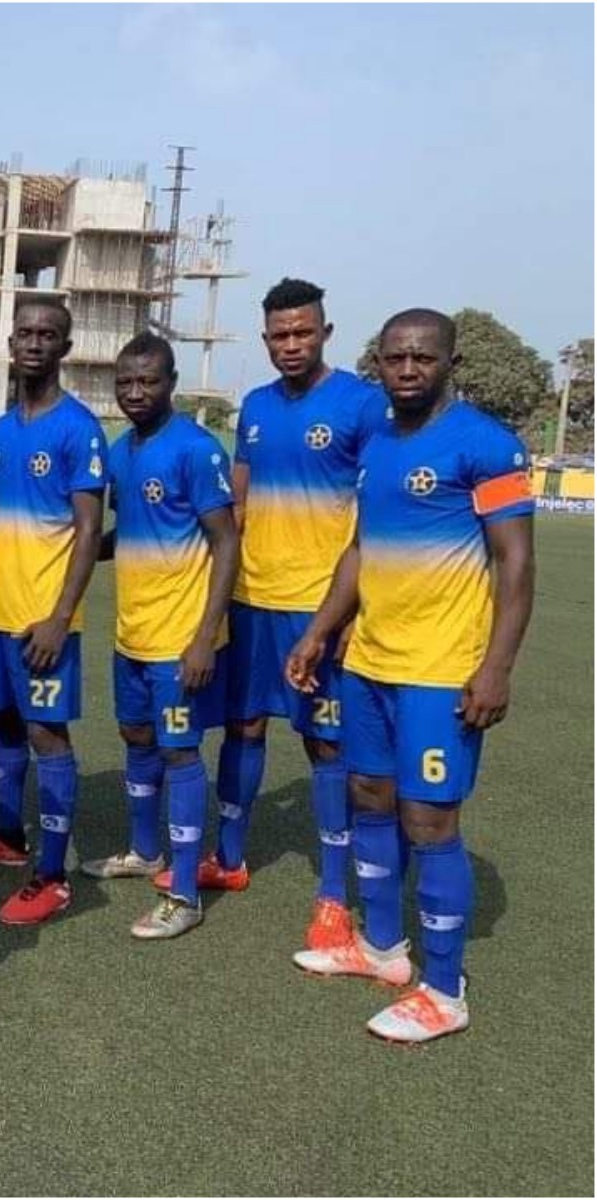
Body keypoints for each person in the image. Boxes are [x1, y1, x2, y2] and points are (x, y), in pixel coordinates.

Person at [288, 309, 534, 1043]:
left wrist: (496, 667)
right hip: (369, 660)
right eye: (394, 357)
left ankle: (445, 990)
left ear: (451, 363)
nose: (406, 369)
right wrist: (319, 632)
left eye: (422, 357)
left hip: (441, 667)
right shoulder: (376, 445)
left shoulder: (485, 443)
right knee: (369, 796)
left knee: (428, 820)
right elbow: (360, 550)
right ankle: (382, 948)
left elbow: (515, 562)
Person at [208, 278, 388, 951]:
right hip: (253, 601)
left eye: (303, 332)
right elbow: (239, 503)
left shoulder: (362, 404)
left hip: (322, 608)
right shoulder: (255, 406)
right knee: (243, 726)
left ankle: (334, 894)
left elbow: (375, 515)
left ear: (325, 333)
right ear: (266, 339)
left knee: (326, 744)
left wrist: (348, 610)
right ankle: (228, 858)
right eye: (280, 334)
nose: (291, 344)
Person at [84, 332, 239, 939]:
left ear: (171, 383)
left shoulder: (196, 450)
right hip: (133, 632)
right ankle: (145, 851)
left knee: (179, 751)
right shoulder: (120, 452)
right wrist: (70, 551)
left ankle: (184, 892)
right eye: (125, 382)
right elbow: (131, 529)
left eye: (147, 381)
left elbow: (226, 541)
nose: (135, 392)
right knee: (137, 735)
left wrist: (205, 636)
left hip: (180, 637)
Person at [0, 299, 105, 925]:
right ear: (10, 342)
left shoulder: (78, 428)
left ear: (65, 347)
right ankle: (7, 836)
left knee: (47, 734)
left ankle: (54, 875)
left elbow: (90, 528)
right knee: (0, 720)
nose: (35, 343)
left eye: (48, 335)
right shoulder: (1, 429)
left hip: (42, 621)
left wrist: (59, 617)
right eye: (25, 333)